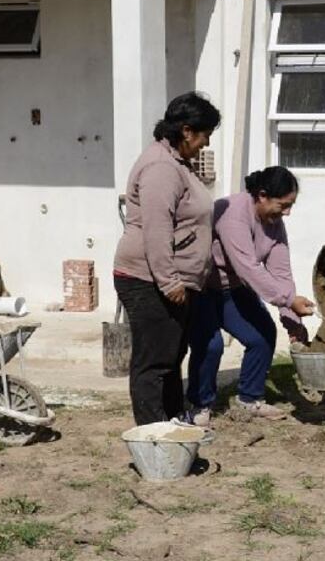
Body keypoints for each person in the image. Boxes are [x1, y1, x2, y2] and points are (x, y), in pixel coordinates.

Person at [113, 91, 221, 425]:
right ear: (187, 131)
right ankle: (153, 434)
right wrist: (170, 280)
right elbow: (157, 230)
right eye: (205, 135)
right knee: (155, 361)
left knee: (171, 356)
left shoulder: (176, 162)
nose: (205, 143)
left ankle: (173, 422)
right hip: (148, 279)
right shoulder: (161, 166)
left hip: (166, 279)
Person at [187, 166, 316, 425]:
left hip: (232, 288)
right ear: (262, 195)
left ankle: (249, 400)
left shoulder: (274, 223)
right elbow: (247, 267)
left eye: (291, 205)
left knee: (262, 335)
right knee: (210, 346)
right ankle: (199, 405)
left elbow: (280, 271)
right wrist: (288, 301)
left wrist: (291, 318)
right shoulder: (233, 213)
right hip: (201, 287)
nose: (287, 212)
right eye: (283, 205)